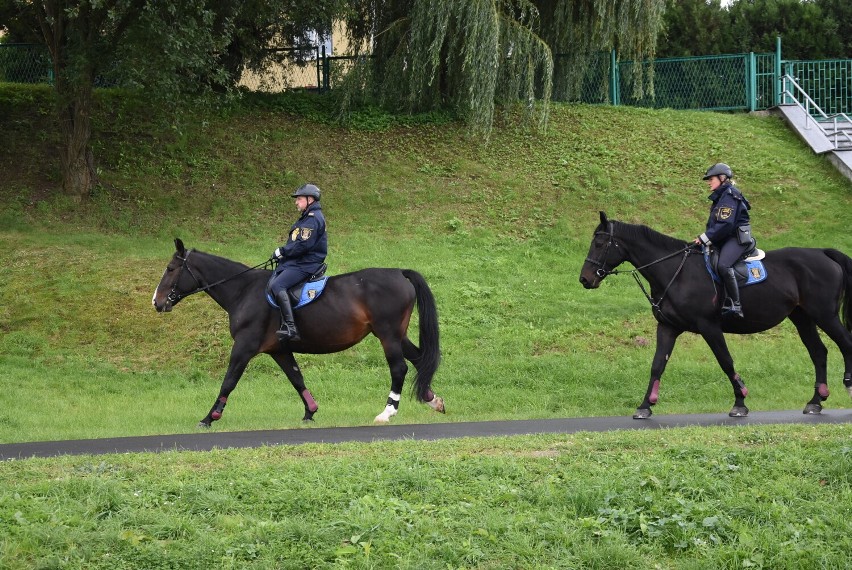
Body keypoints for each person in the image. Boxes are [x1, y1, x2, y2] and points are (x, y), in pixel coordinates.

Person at [268, 183, 327, 341]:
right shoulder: (307, 218)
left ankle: (290, 327)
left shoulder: (312, 219)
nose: (296, 202)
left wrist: (283, 251)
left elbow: (303, 245)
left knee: (277, 285)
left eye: (299, 199)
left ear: (310, 200)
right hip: (299, 261)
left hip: (306, 264)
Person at [693, 163, 752, 318]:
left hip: (736, 238)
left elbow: (725, 224)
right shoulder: (721, 196)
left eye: (711, 178)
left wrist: (704, 238)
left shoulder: (730, 195)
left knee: (723, 265)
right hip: (724, 237)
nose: (709, 182)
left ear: (722, 178)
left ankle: (736, 305)